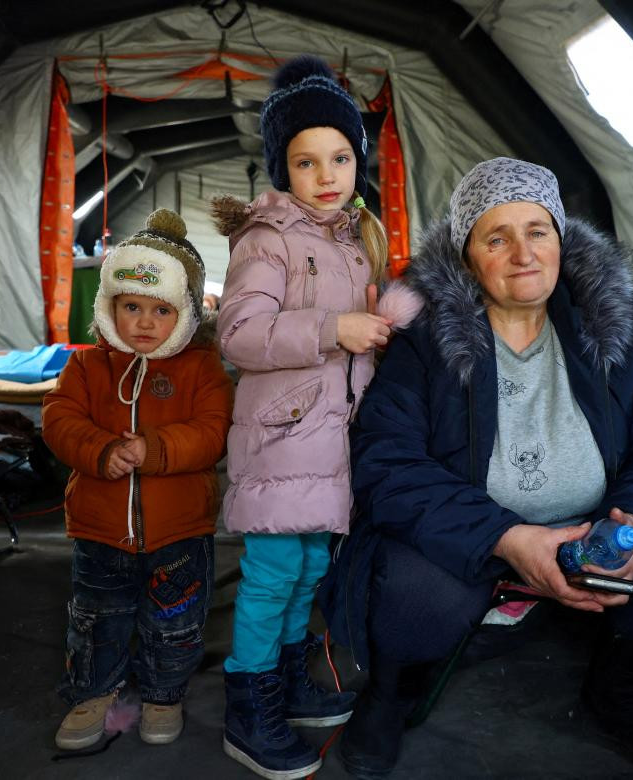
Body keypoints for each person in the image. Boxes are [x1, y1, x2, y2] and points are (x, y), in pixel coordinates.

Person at [318, 157, 633, 779]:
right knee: (414, 589)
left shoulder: (613, 323)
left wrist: (632, 521)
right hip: (480, 531)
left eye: (537, 230)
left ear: (560, 239)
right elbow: (387, 463)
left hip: (594, 522)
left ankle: (620, 689)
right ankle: (392, 695)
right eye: (496, 237)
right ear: (467, 255)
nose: (523, 253)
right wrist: (508, 538)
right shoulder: (423, 338)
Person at [212, 55, 409, 780]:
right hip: (282, 438)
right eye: (305, 161)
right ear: (281, 170)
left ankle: (288, 681)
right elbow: (238, 336)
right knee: (270, 574)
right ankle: (248, 705)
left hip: (331, 444)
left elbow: (364, 347)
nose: (326, 174)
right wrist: (335, 328)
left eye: (339, 156)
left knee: (305, 571)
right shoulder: (268, 239)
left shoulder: (356, 239)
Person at [42, 208, 232, 751]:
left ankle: (162, 694)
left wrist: (157, 449)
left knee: (173, 623)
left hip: (179, 534)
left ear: (187, 314)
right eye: (132, 307)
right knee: (97, 621)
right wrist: (101, 449)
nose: (145, 322)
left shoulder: (202, 370)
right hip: (99, 533)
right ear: (110, 306)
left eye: (161, 309)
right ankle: (92, 693)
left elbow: (214, 431)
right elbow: (59, 419)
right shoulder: (85, 368)